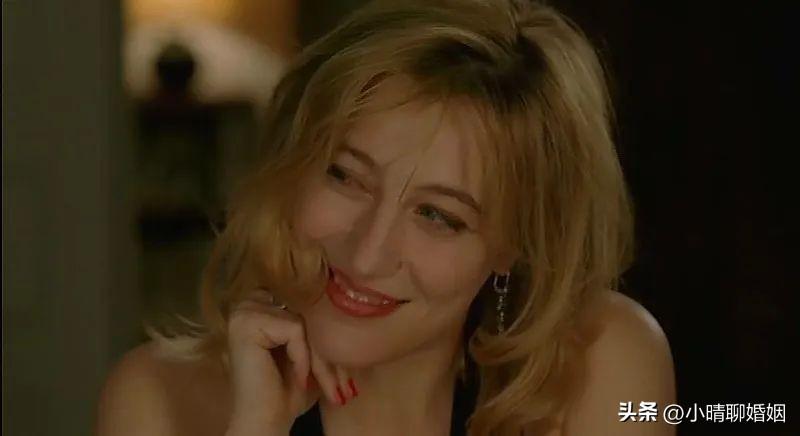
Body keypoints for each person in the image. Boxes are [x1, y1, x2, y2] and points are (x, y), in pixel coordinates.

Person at [96, 0, 675, 435]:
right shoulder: (159, 403)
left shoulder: (605, 366)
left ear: (514, 244)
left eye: (438, 215)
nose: (367, 254)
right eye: (345, 176)